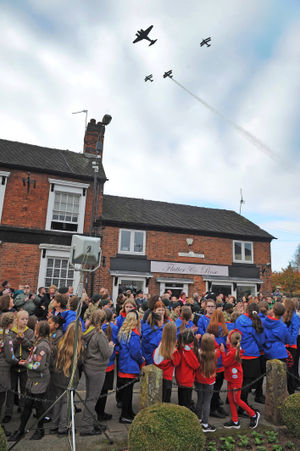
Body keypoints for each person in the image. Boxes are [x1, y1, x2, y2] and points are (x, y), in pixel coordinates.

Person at [9, 321, 51, 441]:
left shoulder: (42, 346)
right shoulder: (39, 343)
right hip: (33, 380)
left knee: (38, 406)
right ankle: (21, 429)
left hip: (39, 380)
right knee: (27, 405)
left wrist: (26, 364)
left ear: (38, 332)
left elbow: (39, 366)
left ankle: (40, 430)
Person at [80, 310, 114, 436]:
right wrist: (111, 346)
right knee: (92, 399)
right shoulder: (99, 334)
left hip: (89, 366)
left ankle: (92, 421)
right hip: (97, 369)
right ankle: (86, 427)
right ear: (104, 320)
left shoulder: (89, 330)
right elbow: (106, 354)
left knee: (90, 396)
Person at [220, 330, 260, 430]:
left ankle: (253, 414)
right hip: (231, 378)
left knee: (236, 399)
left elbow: (225, 362)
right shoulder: (234, 349)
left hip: (235, 379)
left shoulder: (232, 352)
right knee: (231, 399)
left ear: (230, 340)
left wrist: (222, 352)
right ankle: (235, 420)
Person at [50, 322, 83, 435]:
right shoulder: (77, 347)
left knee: (58, 400)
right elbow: (81, 362)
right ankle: (63, 427)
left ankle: (54, 425)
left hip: (57, 375)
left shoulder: (60, 342)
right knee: (66, 403)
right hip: (69, 377)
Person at [4, 310, 35, 423]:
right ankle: (8, 412)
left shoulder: (30, 332)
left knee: (24, 388)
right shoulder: (11, 332)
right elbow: (10, 346)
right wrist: (17, 339)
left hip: (24, 364)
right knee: (11, 389)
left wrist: (23, 339)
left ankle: (23, 409)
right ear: (17, 320)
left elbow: (31, 346)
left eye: (27, 319)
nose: (25, 321)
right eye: (22, 319)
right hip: (13, 364)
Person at [234, 303, 264, 408]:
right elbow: (260, 340)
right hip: (252, 355)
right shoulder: (254, 323)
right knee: (247, 383)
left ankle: (240, 403)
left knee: (240, 382)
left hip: (240, 353)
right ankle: (243, 405)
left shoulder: (239, 320)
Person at [118, 311, 144, 424]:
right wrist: (141, 360)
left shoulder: (124, 332)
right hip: (130, 366)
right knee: (128, 393)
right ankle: (125, 415)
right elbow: (135, 352)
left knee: (126, 392)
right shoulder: (133, 334)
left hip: (124, 364)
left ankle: (128, 412)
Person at [95, 309, 118, 421]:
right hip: (109, 362)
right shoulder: (113, 328)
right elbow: (116, 343)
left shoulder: (97, 330)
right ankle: (100, 413)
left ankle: (98, 411)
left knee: (99, 390)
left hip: (99, 363)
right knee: (104, 391)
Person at [195, 333, 220, 432]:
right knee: (207, 402)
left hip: (198, 379)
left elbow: (194, 347)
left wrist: (197, 340)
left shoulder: (198, 352)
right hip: (209, 380)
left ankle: (198, 419)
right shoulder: (216, 353)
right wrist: (213, 340)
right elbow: (219, 347)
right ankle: (205, 424)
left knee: (199, 399)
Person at [206, 310, 228, 418]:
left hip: (213, 360)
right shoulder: (223, 328)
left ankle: (214, 407)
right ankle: (214, 408)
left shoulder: (210, 328)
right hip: (221, 361)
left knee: (213, 388)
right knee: (217, 388)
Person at [153, 322, 181, 402]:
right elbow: (177, 362)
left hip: (159, 375)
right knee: (166, 399)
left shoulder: (160, 345)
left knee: (159, 398)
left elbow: (156, 360)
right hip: (168, 376)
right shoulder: (173, 350)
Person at [175, 328, 200, 410]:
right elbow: (196, 365)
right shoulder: (188, 352)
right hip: (187, 380)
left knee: (181, 401)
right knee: (186, 403)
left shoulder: (179, 348)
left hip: (179, 377)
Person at [0, 312, 16, 436]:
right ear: (11, 324)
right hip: (3, 371)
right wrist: (19, 361)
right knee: (1, 400)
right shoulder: (7, 337)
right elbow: (10, 357)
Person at [142, 301, 168, 365]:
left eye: (163, 310)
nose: (161, 312)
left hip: (154, 360)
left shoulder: (167, 323)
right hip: (154, 360)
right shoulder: (151, 327)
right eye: (159, 310)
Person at [283, 298, 300, 394]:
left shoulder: (295, 317)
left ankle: (291, 389)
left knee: (291, 368)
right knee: (286, 369)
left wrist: (289, 342)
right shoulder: (283, 316)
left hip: (292, 345)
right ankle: (287, 388)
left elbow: (295, 332)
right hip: (285, 345)